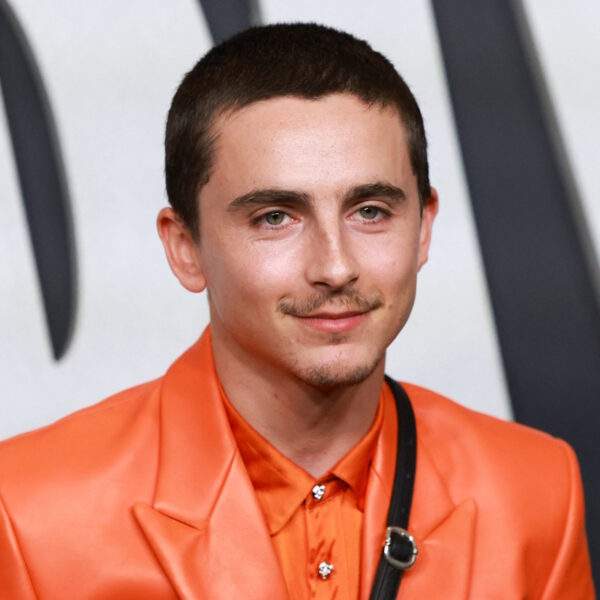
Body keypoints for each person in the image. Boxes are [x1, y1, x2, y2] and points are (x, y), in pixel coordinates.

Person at [0, 22, 594, 600]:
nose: (335, 266)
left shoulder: (535, 490)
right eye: (275, 218)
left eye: (370, 211)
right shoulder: (27, 511)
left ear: (422, 228)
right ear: (185, 249)